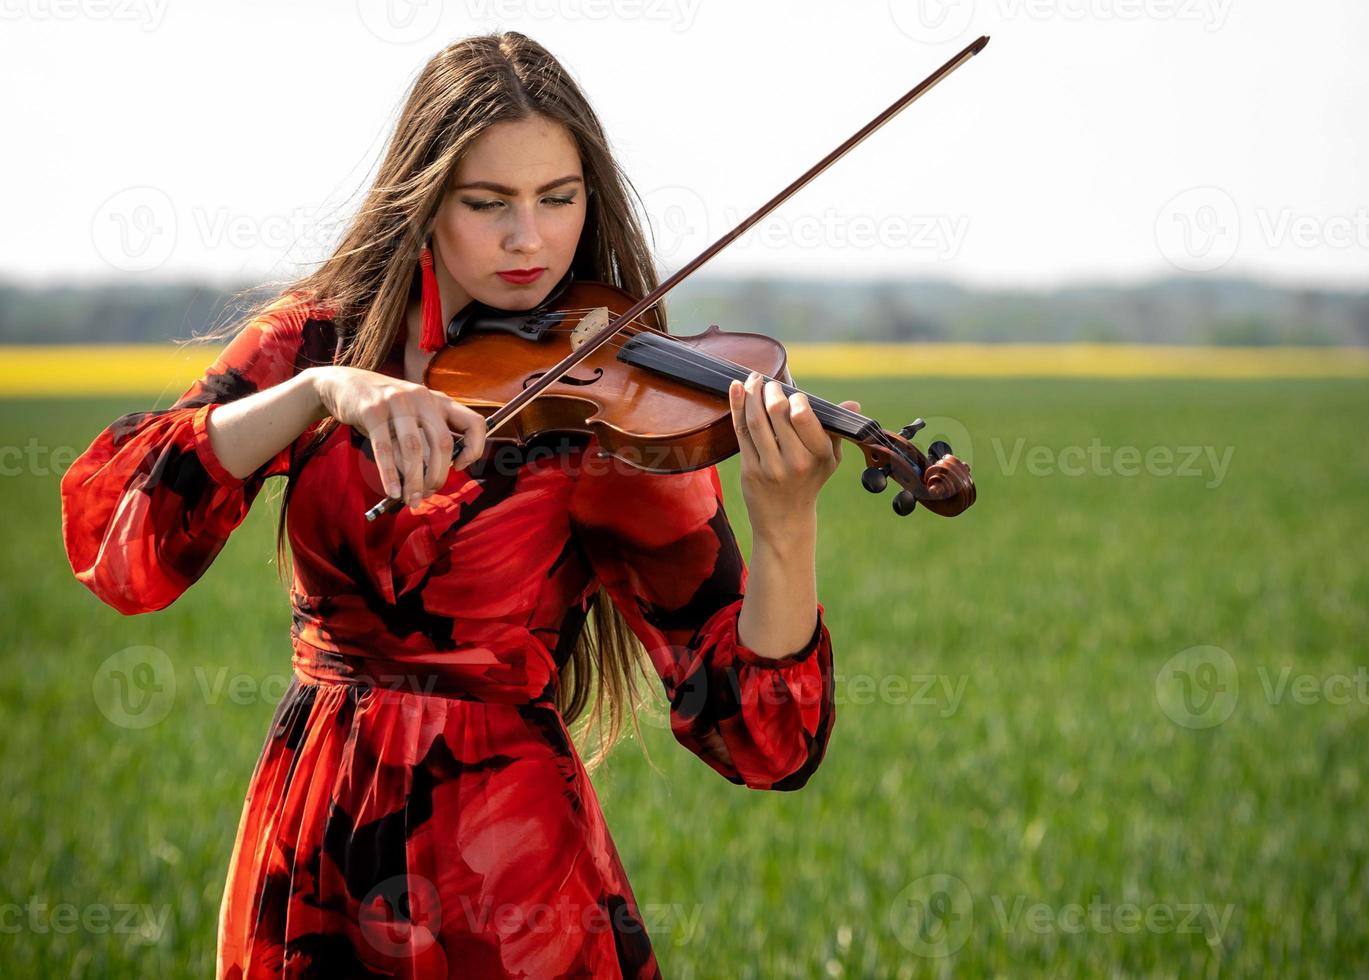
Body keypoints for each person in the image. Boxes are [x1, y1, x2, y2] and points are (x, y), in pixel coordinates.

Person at [59, 31, 858, 979]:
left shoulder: (613, 410)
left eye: (558, 200)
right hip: (315, 836)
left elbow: (762, 740)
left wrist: (786, 526)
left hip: (507, 869)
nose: (530, 239)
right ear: (424, 201)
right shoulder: (320, 337)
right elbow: (124, 543)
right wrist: (322, 389)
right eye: (489, 205)